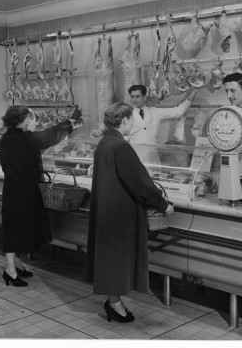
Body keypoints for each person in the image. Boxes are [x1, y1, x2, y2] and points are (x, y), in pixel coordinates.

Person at [87, 102, 173, 323]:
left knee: (111, 259)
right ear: (124, 120)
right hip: (120, 211)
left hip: (107, 208)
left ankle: (113, 300)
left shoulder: (105, 143)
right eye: (131, 119)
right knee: (118, 259)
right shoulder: (120, 146)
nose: (133, 123)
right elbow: (140, 182)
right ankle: (114, 304)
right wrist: (162, 204)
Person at [0, 105, 81, 287]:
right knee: (15, 228)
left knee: (16, 227)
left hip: (14, 188)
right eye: (32, 119)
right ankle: (10, 270)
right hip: (22, 190)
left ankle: (17, 263)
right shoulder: (24, 137)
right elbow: (48, 136)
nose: (34, 122)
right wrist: (70, 123)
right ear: (24, 120)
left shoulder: (8, 137)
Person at [127, 84, 197, 162]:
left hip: (152, 156)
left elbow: (179, 111)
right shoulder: (126, 114)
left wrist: (194, 92)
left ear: (144, 97)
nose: (134, 100)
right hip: (134, 155)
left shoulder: (155, 111)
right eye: (132, 97)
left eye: (137, 96)